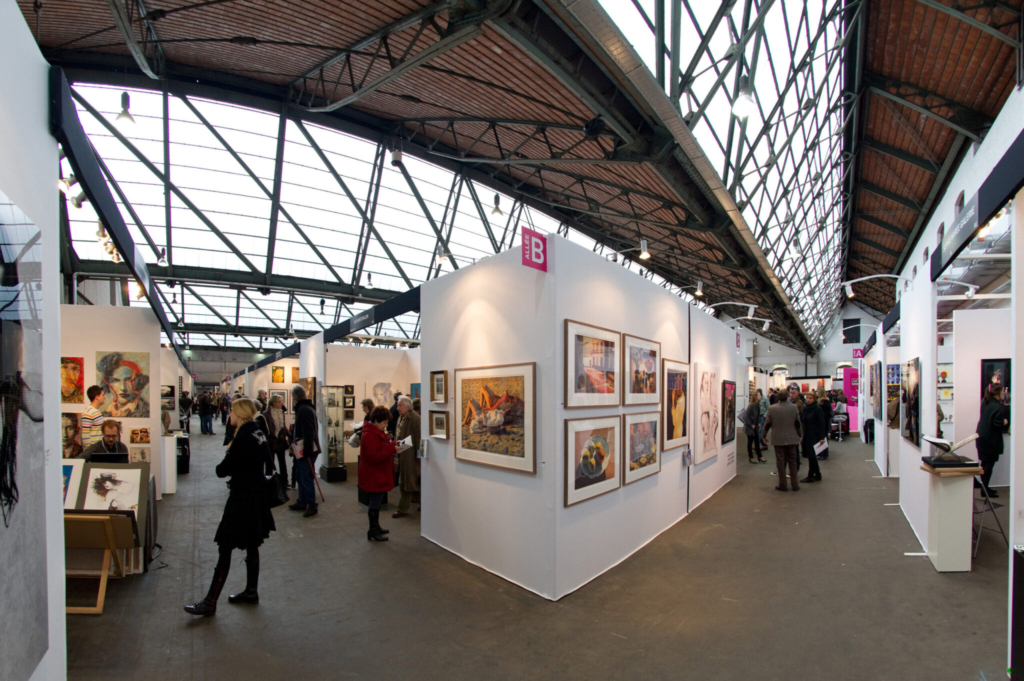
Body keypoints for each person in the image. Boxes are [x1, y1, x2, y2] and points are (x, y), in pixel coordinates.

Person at [184, 397, 275, 616]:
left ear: (240, 414)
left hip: (241, 499)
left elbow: (222, 470)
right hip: (256, 497)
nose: (229, 415)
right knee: (252, 545)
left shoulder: (242, 437)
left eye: (232, 412)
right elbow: (268, 462)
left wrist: (229, 455)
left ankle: (210, 602)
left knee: (225, 546)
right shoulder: (258, 432)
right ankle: (251, 592)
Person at [360, 405, 396, 541]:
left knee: (377, 502)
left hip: (377, 474)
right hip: (374, 475)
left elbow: (380, 448)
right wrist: (392, 448)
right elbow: (374, 456)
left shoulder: (374, 432)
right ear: (376, 421)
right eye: (384, 422)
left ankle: (376, 527)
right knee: (375, 503)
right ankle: (373, 530)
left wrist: (392, 443)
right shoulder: (370, 435)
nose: (386, 425)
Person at [762, 384, 803, 492]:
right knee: (793, 461)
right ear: (788, 396)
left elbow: (767, 424)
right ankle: (795, 484)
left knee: (780, 462)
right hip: (791, 438)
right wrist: (800, 435)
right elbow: (797, 423)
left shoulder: (772, 408)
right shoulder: (793, 407)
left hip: (778, 438)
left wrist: (763, 435)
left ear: (778, 397)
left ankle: (783, 484)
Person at [289, 384, 321, 517]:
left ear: (294, 397)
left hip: (306, 451)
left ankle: (312, 505)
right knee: (300, 476)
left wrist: (306, 452)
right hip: (302, 450)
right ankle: (302, 502)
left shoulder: (304, 409)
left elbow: (309, 433)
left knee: (306, 478)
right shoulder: (305, 408)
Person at [976, 384, 1009, 498]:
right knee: (989, 465)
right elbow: (997, 424)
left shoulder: (984, 401)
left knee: (984, 464)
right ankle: (985, 490)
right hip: (991, 440)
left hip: (981, 437)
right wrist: (1004, 422)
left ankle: (984, 487)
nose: (1003, 393)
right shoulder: (997, 407)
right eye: (1002, 391)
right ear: (997, 393)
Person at [393, 396, 422, 519]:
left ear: (408, 407)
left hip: (411, 457)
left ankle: (402, 509)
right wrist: (399, 443)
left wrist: (419, 459)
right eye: (398, 405)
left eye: (400, 405)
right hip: (403, 455)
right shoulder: (402, 417)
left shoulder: (415, 419)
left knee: (407, 483)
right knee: (411, 483)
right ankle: (425, 504)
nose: (397, 408)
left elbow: (418, 440)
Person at [96, 352, 150, 417]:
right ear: (108, 383)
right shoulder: (105, 414)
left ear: (138, 382)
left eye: (128, 380)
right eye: (116, 380)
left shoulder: (146, 412)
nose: (123, 388)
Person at [800, 393, 827, 484]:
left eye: (810, 398)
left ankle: (810, 475)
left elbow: (821, 423)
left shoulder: (817, 409)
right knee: (811, 455)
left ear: (814, 399)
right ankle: (818, 474)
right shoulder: (806, 409)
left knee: (811, 455)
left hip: (815, 435)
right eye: (807, 398)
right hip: (807, 434)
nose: (808, 400)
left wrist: (822, 437)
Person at [264, 394, 290, 478]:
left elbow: (283, 426)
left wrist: (290, 435)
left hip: (280, 440)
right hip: (271, 440)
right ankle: (269, 480)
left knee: (282, 462)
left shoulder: (281, 412)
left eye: (282, 401)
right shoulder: (266, 413)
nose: (281, 403)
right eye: (279, 402)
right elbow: (265, 428)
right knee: (269, 462)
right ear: (273, 403)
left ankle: (284, 480)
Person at [741, 393, 765, 464]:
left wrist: (757, 423)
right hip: (750, 428)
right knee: (750, 442)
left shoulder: (757, 405)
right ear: (755, 396)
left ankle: (760, 456)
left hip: (755, 427)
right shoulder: (751, 406)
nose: (760, 396)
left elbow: (756, 417)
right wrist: (751, 425)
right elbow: (745, 417)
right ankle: (751, 457)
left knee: (757, 442)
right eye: (759, 395)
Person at [817, 389, 833, 459]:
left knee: (823, 437)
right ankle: (821, 453)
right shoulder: (822, 401)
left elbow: (827, 413)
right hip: (823, 422)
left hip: (824, 422)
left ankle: (824, 454)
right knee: (822, 437)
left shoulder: (825, 402)